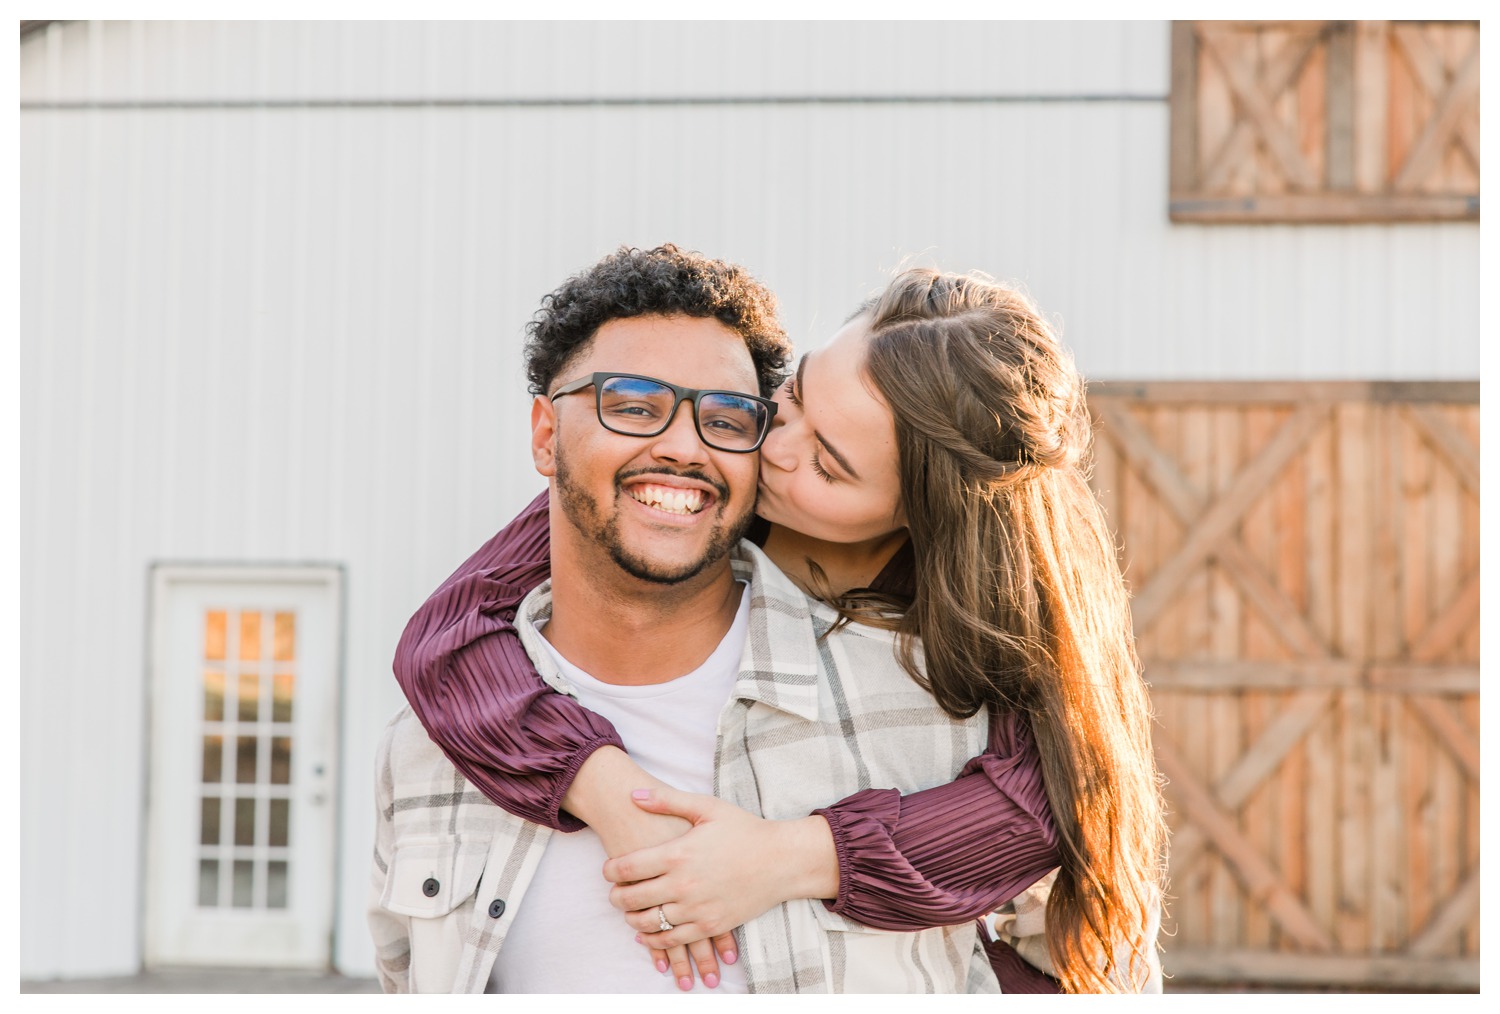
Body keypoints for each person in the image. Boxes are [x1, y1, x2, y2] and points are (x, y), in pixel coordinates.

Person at [390, 251, 1167, 992]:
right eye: (788, 402)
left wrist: (790, 857)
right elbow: (445, 638)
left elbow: (1047, 808)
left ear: (912, 522)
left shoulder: (955, 657)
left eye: (829, 465)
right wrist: (604, 787)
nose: (772, 450)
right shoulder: (676, 472)